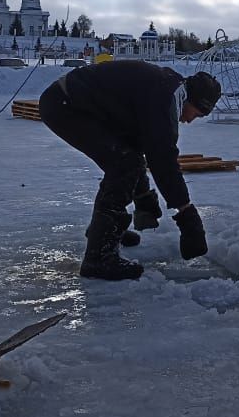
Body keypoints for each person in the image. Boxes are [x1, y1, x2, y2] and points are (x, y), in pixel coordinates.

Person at [38, 60, 222, 281]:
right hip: (66, 105)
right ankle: (98, 257)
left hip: (76, 103)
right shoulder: (164, 99)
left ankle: (105, 233)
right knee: (122, 163)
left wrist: (143, 196)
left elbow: (136, 146)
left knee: (125, 159)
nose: (191, 120)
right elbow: (163, 160)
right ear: (193, 101)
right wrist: (187, 216)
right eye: (198, 113)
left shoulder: (167, 88)